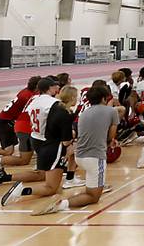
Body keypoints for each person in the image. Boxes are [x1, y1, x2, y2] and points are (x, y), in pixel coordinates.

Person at [30, 84, 119, 215]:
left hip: (79, 156)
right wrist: (112, 140)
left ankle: (97, 185)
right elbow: (111, 136)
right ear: (104, 98)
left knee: (92, 185)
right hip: (95, 157)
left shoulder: (84, 113)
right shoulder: (112, 111)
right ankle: (61, 204)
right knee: (93, 197)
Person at [0, 80, 76, 206]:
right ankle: (22, 191)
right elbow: (60, 129)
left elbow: (30, 119)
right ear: (50, 88)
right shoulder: (55, 105)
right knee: (52, 188)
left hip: (36, 139)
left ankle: (5, 177)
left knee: (41, 174)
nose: (57, 88)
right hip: (50, 143)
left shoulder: (34, 100)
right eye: (54, 86)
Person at [0, 76, 41, 170]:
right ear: (36, 88)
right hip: (5, 123)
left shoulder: (26, 91)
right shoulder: (28, 96)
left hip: (5, 121)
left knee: (9, 151)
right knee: (8, 151)